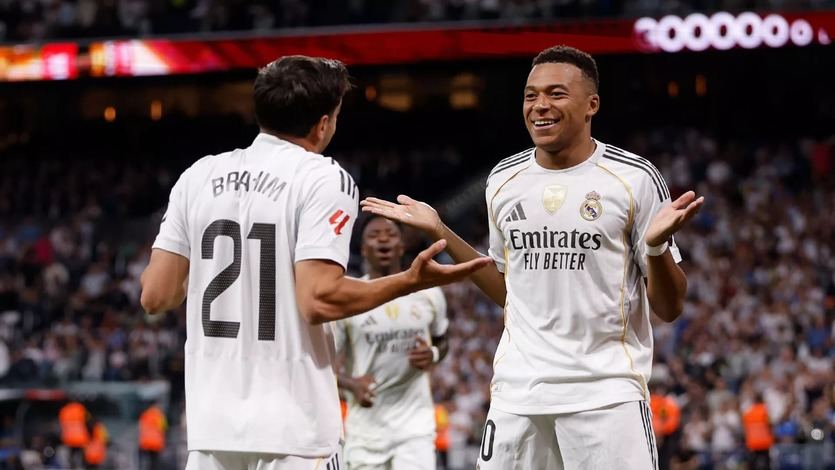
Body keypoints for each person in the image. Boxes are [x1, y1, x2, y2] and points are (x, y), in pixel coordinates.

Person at [139, 55, 490, 470]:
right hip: (294, 431)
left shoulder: (198, 175)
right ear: (323, 124)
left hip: (211, 429)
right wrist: (408, 281)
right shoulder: (322, 176)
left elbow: (156, 296)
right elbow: (319, 299)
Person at [361, 45, 704, 469]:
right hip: (517, 394)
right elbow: (509, 292)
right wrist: (440, 231)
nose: (540, 105)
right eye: (531, 95)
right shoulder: (503, 180)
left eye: (557, 94)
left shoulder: (633, 178)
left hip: (605, 395)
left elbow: (669, 308)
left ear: (591, 104)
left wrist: (654, 249)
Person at [334, 216, 449, 470]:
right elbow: (324, 368)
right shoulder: (350, 297)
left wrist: (432, 354)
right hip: (366, 432)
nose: (383, 239)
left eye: (390, 234)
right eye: (374, 235)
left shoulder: (428, 292)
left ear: (402, 245)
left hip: (415, 426)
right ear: (363, 249)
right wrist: (351, 384)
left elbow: (443, 340)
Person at [58, 401, 90, 469]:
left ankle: (71, 466)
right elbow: (88, 420)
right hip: (80, 438)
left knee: (70, 456)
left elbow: (61, 424)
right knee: (80, 458)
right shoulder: (81, 409)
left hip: (69, 438)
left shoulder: (64, 410)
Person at [138, 403, 167, 470]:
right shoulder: (159, 415)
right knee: (154, 462)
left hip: (146, 442)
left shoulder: (145, 414)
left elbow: (140, 427)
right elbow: (164, 427)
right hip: (156, 443)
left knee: (146, 461)